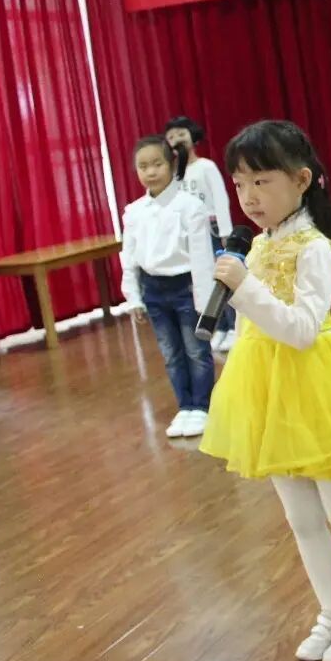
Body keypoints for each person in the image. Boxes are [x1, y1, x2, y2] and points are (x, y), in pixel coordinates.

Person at [199, 120, 331, 661]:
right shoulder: (257, 244)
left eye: (261, 182)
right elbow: (253, 324)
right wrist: (238, 291)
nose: (249, 197)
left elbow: (300, 330)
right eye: (240, 184)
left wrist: (245, 287)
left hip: (316, 386)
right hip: (267, 389)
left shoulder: (315, 247)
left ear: (301, 179)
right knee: (301, 520)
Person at [119, 136, 215, 437]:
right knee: (171, 353)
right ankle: (185, 406)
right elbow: (129, 257)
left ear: (172, 164)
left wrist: (205, 303)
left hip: (186, 287)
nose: (150, 172)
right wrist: (133, 297)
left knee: (196, 350)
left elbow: (202, 257)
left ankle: (202, 407)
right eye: (143, 166)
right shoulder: (134, 211)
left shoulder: (190, 206)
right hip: (153, 290)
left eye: (157, 164)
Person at [165, 115, 238, 349]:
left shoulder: (206, 166)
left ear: (193, 137)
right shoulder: (172, 175)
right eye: (171, 136)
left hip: (211, 229)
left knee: (222, 279)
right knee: (204, 280)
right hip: (189, 235)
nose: (177, 139)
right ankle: (220, 327)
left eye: (181, 133)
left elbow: (220, 198)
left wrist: (225, 232)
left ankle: (234, 326)